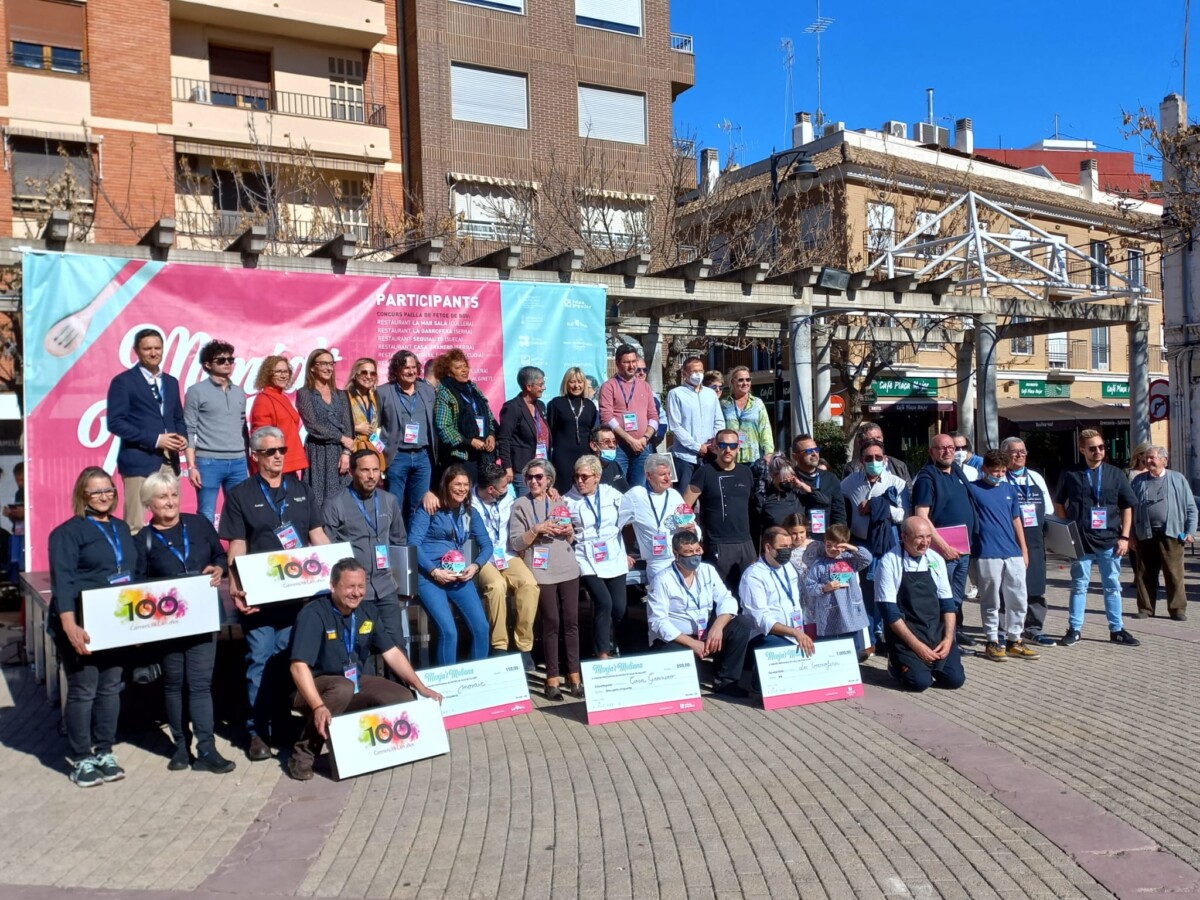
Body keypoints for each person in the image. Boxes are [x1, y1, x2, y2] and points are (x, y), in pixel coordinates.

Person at [220, 426, 330, 761]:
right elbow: (237, 544)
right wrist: (235, 581)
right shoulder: (240, 495)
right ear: (255, 456)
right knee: (259, 660)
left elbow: (317, 535)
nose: (278, 456)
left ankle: (281, 723)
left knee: (287, 661)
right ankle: (255, 731)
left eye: (281, 449)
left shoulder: (301, 490)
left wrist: (340, 567)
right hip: (260, 599)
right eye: (270, 451)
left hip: (297, 598)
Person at [286, 558, 442, 781]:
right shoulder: (314, 613)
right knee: (342, 688)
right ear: (333, 586)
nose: (356, 593)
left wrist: (421, 687)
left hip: (353, 682)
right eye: (350, 587)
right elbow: (298, 667)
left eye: (361, 586)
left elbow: (392, 653)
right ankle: (303, 754)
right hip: (311, 688)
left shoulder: (367, 611)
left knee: (401, 696)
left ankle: (362, 750)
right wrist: (318, 705)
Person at [135, 472, 235, 774]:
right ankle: (181, 747)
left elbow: (220, 554)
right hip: (168, 623)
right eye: (163, 497)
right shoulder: (143, 539)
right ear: (149, 503)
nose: (170, 501)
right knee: (174, 685)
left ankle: (206, 750)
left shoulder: (199, 524)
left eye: (174, 495)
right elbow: (137, 583)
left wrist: (218, 569)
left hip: (203, 616)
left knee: (201, 685)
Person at [48, 467, 139, 787]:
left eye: (109, 490)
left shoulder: (121, 528)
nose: (104, 496)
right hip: (79, 621)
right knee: (84, 690)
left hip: (113, 622)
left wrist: (137, 627)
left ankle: (104, 751)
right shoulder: (66, 533)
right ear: (82, 496)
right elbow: (63, 583)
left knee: (110, 688)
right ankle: (81, 758)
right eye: (95, 492)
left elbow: (132, 575)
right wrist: (69, 625)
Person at [1054, 430, 1140, 647]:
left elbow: (1127, 506)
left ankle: (1117, 629)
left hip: (1109, 539)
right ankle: (1074, 629)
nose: (1099, 451)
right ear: (1082, 449)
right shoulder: (1071, 473)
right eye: (1093, 448)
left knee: (1111, 584)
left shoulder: (1116, 473)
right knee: (1079, 584)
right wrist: (1068, 530)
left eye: (1101, 447)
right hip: (1080, 539)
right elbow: (1059, 504)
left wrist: (1124, 536)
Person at [323, 450, 408, 659]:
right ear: (351, 472)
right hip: (355, 593)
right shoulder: (335, 504)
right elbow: (325, 551)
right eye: (365, 470)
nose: (371, 475)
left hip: (386, 588)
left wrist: (405, 584)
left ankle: (403, 692)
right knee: (361, 652)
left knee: (397, 648)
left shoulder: (389, 500)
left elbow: (399, 541)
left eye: (375, 470)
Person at [646, 531, 754, 697]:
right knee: (687, 687)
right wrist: (692, 643)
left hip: (707, 633)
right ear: (676, 554)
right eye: (688, 552)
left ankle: (726, 681)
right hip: (678, 638)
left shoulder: (708, 570)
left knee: (742, 623)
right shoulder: (662, 580)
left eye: (697, 550)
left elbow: (727, 599)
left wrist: (717, 627)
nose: (695, 556)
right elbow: (658, 622)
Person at [509, 459, 583, 700]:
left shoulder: (559, 499)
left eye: (539, 477)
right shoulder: (519, 505)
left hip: (567, 565)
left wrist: (569, 532)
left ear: (549, 479)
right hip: (541, 569)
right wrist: (537, 529)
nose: (534, 481)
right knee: (551, 621)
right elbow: (516, 542)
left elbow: (572, 535)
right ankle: (551, 678)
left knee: (571, 621)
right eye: (530, 477)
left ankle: (574, 676)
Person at [407, 465, 493, 665]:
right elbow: (413, 544)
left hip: (457, 574)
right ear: (446, 485)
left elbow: (487, 545)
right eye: (457, 484)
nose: (462, 489)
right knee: (449, 631)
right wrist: (434, 571)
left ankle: (479, 679)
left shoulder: (470, 512)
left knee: (481, 627)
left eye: (465, 485)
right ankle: (449, 686)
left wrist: (475, 566)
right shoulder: (430, 507)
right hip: (429, 575)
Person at [106, 328, 187, 531]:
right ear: (136, 351)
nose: (153, 353)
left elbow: (178, 418)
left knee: (170, 517)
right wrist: (155, 439)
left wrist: (183, 438)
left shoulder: (170, 382)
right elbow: (115, 422)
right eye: (147, 348)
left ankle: (169, 560)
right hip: (138, 460)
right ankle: (135, 563)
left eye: (157, 348)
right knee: (135, 524)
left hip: (170, 461)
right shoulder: (123, 382)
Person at [875, 518, 966, 692]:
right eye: (919, 538)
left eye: (928, 537)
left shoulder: (935, 559)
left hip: (935, 632)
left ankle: (929, 666)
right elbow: (890, 613)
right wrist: (917, 646)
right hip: (907, 635)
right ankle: (896, 665)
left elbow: (948, 605)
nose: (925, 543)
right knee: (918, 683)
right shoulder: (889, 562)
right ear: (903, 536)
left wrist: (948, 640)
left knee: (954, 680)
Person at [840, 439, 908, 654]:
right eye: (869, 458)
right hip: (861, 543)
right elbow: (841, 509)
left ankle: (886, 634)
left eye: (878, 458)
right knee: (867, 591)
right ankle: (868, 638)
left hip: (888, 543)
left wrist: (877, 507)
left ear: (885, 459)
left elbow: (903, 514)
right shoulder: (850, 483)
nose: (874, 461)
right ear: (861, 461)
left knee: (888, 588)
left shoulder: (896, 482)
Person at [968, 449, 1037, 661]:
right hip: (987, 553)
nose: (999, 474)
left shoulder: (1009, 489)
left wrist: (1023, 549)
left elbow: (1016, 519)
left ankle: (1014, 639)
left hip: (1012, 552)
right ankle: (992, 640)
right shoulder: (972, 489)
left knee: (1018, 597)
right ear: (984, 469)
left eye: (1002, 471)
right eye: (995, 471)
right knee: (990, 599)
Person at [912, 434, 978, 647]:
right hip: (942, 551)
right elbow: (922, 516)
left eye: (951, 447)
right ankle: (944, 639)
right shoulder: (926, 478)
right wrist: (944, 547)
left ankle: (956, 632)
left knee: (957, 596)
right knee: (943, 595)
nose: (948, 451)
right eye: (941, 448)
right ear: (931, 452)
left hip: (963, 549)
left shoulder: (958, 472)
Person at [472, 462, 539, 665]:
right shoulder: (469, 502)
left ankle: (523, 645)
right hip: (482, 558)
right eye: (503, 487)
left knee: (529, 584)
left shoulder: (508, 498)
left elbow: (532, 500)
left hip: (507, 554)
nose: (507, 489)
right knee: (496, 586)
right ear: (491, 490)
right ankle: (499, 645)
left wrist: (551, 491)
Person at [567, 454, 633, 658]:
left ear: (596, 476)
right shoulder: (566, 500)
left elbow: (630, 521)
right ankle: (602, 654)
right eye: (576, 476)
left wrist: (629, 552)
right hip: (585, 557)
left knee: (620, 608)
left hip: (613, 554)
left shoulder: (612, 494)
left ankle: (618, 645)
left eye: (585, 477)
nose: (580, 481)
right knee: (604, 602)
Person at [683, 428, 757, 594]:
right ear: (715, 447)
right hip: (717, 544)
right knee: (720, 597)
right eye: (723, 445)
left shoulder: (746, 472)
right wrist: (691, 532)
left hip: (745, 542)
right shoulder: (704, 472)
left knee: (748, 595)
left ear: (738, 447)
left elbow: (752, 508)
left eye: (732, 445)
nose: (728, 450)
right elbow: (684, 506)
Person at [183, 339, 249, 524]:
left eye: (230, 359)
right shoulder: (196, 391)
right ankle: (208, 553)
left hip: (238, 462)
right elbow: (188, 429)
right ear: (207, 364)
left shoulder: (239, 392)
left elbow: (243, 428)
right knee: (206, 514)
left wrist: (248, 460)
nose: (227, 363)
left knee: (241, 513)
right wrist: (191, 466)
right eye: (221, 360)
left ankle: (238, 553)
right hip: (208, 462)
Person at [1131, 446, 1197, 621]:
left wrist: (1190, 531)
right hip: (1145, 534)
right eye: (1147, 458)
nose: (1148, 461)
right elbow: (1129, 510)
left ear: (1164, 460)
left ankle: (1177, 610)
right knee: (1144, 573)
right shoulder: (1138, 481)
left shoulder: (1178, 479)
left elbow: (1191, 508)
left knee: (1174, 574)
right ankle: (1145, 608)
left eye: (1152, 458)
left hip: (1172, 534)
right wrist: (1130, 535)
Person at [1001, 437, 1055, 645]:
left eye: (1023, 451)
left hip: (1034, 542)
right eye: (1014, 452)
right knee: (1007, 587)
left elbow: (1048, 511)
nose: (1020, 455)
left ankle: (1034, 627)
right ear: (1005, 455)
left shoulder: (1035, 478)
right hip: (1008, 541)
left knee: (1035, 586)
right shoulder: (1000, 478)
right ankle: (1006, 628)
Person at [377, 350, 437, 526]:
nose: (411, 372)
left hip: (423, 456)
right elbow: (375, 427)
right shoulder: (383, 392)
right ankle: (395, 543)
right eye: (406, 368)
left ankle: (413, 546)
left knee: (419, 506)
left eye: (414, 367)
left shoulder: (427, 390)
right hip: (397, 456)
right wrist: (381, 454)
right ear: (396, 370)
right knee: (394, 504)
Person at [739, 527, 818, 659]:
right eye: (782, 547)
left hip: (794, 633)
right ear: (768, 548)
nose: (787, 551)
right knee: (787, 655)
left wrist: (797, 633)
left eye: (789, 546)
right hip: (765, 636)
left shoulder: (789, 567)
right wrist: (795, 633)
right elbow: (762, 620)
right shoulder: (753, 576)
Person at [621, 453, 695, 584]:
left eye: (669, 474)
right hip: (657, 562)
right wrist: (621, 554)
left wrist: (693, 530)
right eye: (662, 475)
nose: (667, 479)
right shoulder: (636, 495)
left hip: (681, 558)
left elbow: (691, 522)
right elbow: (614, 525)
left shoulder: (674, 495)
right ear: (648, 476)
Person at [801, 523, 873, 659]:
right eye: (829, 545)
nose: (832, 549)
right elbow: (809, 586)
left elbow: (867, 559)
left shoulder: (850, 560)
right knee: (827, 645)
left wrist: (851, 548)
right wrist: (824, 588)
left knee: (851, 642)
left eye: (837, 546)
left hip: (849, 609)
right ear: (824, 543)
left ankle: (852, 668)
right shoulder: (819, 564)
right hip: (828, 612)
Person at [295, 349, 355, 509]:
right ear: (313, 367)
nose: (329, 368)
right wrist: (341, 438)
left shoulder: (341, 394)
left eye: (331, 364)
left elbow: (348, 425)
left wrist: (346, 453)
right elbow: (312, 426)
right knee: (318, 499)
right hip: (317, 452)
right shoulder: (304, 394)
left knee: (342, 500)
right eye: (324, 364)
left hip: (340, 454)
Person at [597, 343, 658, 489]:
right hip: (619, 447)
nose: (631, 366)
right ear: (618, 363)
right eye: (626, 362)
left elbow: (654, 417)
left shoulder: (645, 386)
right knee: (617, 487)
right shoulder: (608, 386)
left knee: (639, 489)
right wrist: (630, 440)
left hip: (643, 447)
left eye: (633, 361)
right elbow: (606, 417)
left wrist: (644, 439)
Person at [433, 349, 498, 483]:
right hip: (460, 456)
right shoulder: (445, 392)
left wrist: (491, 434)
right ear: (449, 372)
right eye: (458, 368)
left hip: (483, 453)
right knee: (464, 493)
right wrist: (469, 441)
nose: (464, 370)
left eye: (465, 366)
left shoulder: (473, 388)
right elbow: (443, 427)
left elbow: (489, 415)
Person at [666, 356, 724, 488]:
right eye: (694, 371)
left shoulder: (710, 394)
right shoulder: (676, 394)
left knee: (708, 496)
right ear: (684, 373)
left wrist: (713, 443)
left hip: (709, 454)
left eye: (701, 371)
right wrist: (697, 447)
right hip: (685, 457)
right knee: (684, 499)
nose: (698, 375)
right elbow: (675, 426)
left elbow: (719, 421)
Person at [249, 356, 307, 477]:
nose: (283, 375)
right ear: (268, 374)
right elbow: (260, 438)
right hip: (275, 466)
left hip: (288, 464)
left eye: (286, 371)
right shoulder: (264, 400)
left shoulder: (282, 397)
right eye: (278, 372)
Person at [498, 366, 550, 497]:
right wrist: (507, 467)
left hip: (542, 465)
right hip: (522, 468)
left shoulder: (540, 406)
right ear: (528, 386)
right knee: (526, 505)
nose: (544, 388)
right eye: (540, 384)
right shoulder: (512, 407)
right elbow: (504, 439)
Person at [547, 367, 598, 495]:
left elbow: (593, 431)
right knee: (563, 491)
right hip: (562, 456)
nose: (576, 386)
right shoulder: (556, 403)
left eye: (580, 382)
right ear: (566, 383)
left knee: (583, 490)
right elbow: (550, 432)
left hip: (584, 456)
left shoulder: (590, 405)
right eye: (572, 382)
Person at [787, 434, 846, 538]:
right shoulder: (790, 479)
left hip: (824, 542)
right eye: (809, 451)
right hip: (796, 542)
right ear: (795, 456)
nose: (814, 454)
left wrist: (839, 539)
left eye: (816, 449)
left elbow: (839, 514)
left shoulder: (830, 479)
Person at [721, 366, 774, 465]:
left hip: (753, 457)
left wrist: (768, 452)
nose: (745, 383)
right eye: (741, 380)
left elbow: (765, 429)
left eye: (748, 379)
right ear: (732, 382)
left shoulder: (757, 403)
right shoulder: (724, 404)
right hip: (730, 456)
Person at [345, 357, 386, 475]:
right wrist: (356, 428)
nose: (368, 376)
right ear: (355, 374)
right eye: (364, 372)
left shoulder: (376, 397)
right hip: (352, 450)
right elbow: (336, 425)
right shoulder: (344, 396)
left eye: (372, 373)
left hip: (372, 447)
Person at [842, 421, 911, 487]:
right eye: (872, 439)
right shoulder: (852, 468)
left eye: (878, 438)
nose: (877, 442)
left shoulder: (899, 466)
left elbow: (909, 494)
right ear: (861, 443)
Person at [754, 457, 805, 538]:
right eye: (784, 477)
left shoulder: (798, 493)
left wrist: (803, 486)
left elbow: (824, 502)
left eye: (791, 475)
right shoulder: (766, 498)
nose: (788, 479)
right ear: (773, 476)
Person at [636, 361, 668, 452]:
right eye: (638, 370)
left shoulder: (653, 395)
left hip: (649, 444)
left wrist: (659, 435)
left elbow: (662, 417)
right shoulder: (620, 392)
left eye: (644, 370)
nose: (642, 373)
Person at [590, 425, 631, 493]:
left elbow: (625, 491)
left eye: (614, 442)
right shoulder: (587, 470)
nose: (612, 445)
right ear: (594, 446)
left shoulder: (614, 465)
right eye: (607, 442)